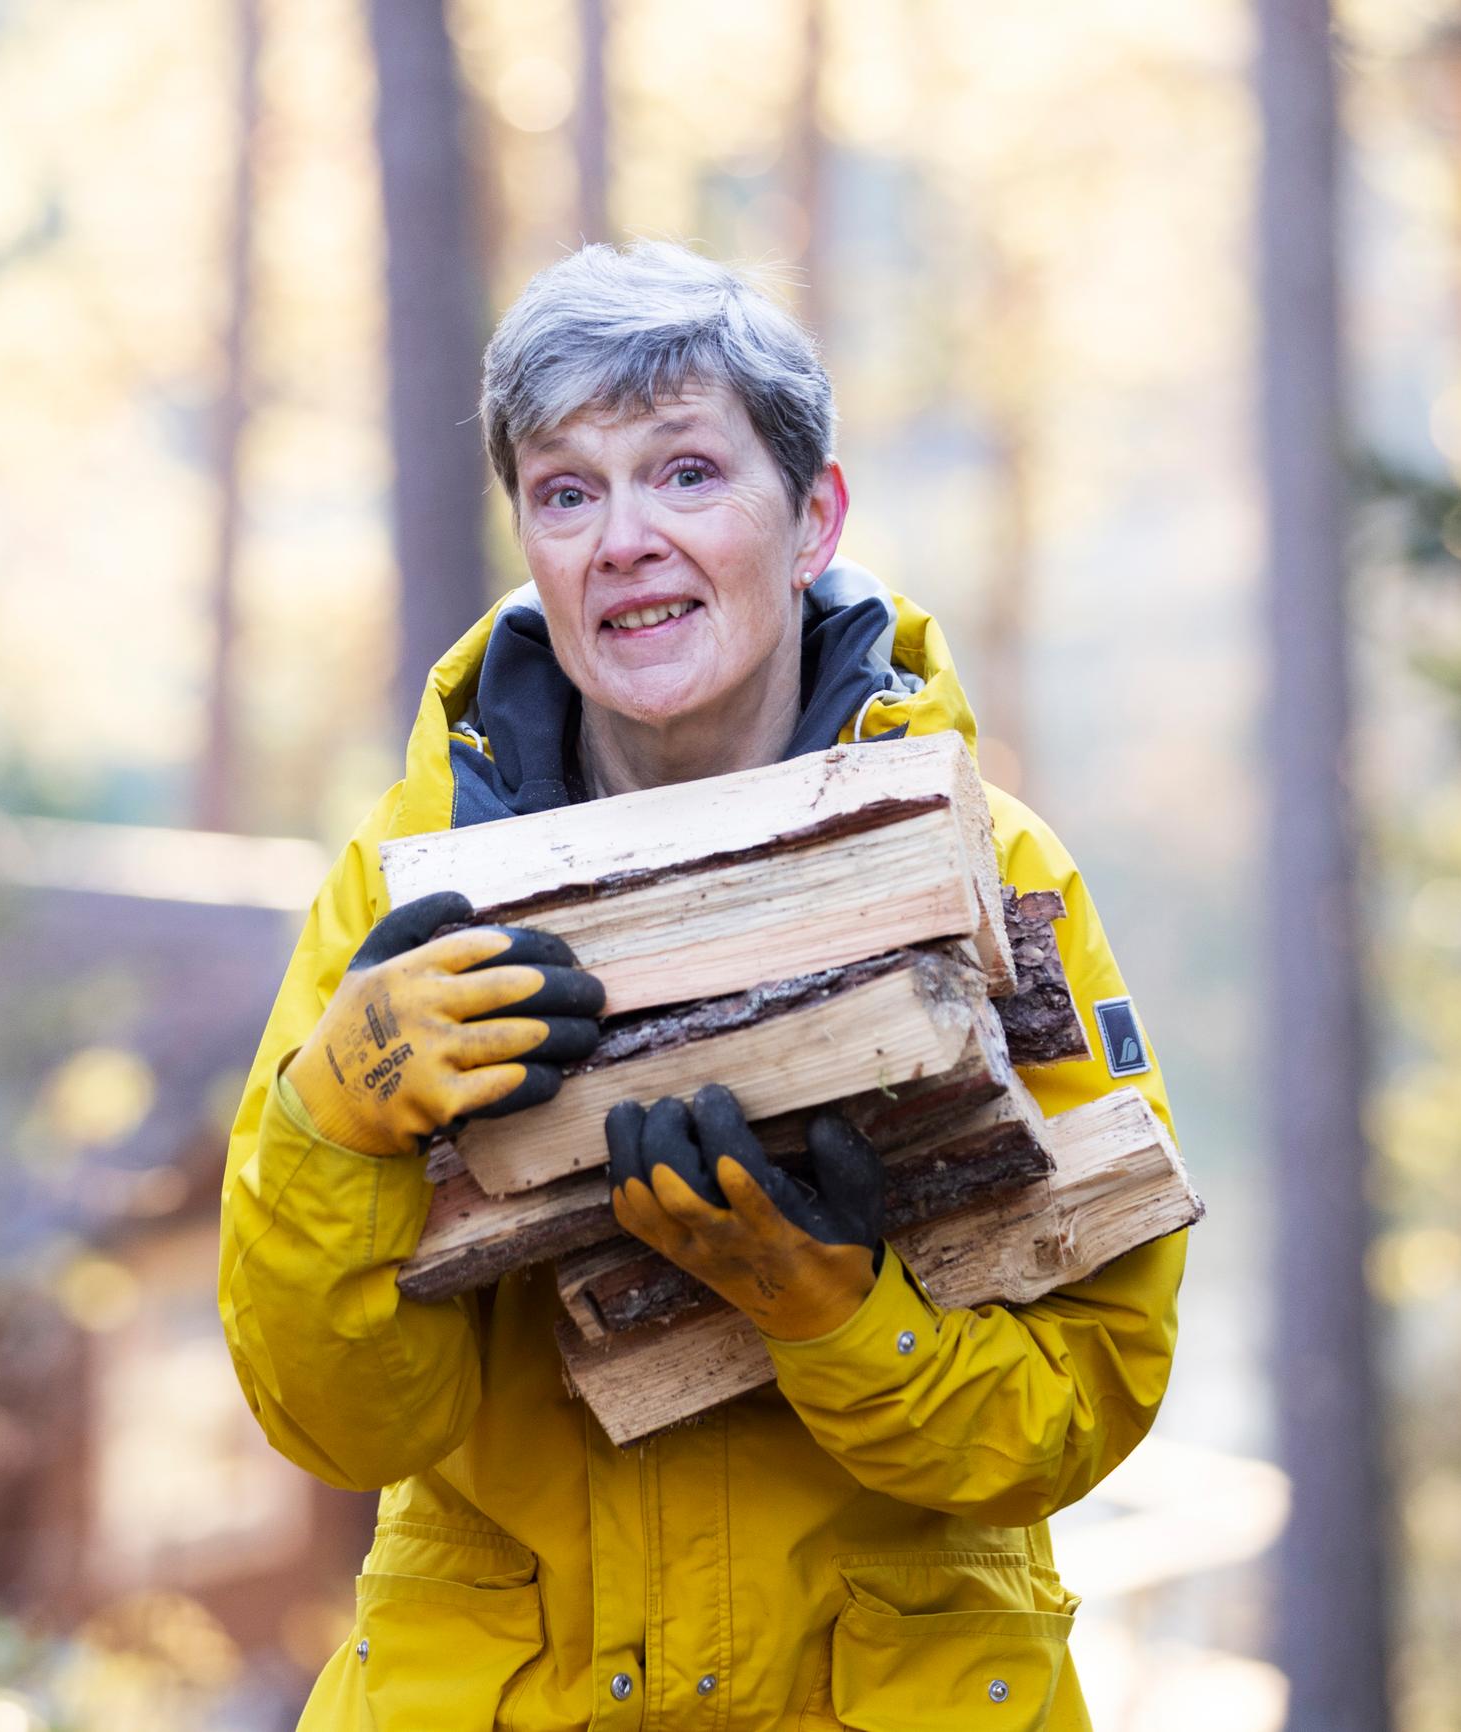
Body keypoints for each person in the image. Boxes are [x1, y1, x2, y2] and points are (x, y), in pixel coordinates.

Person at [216, 241, 1186, 1731]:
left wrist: (835, 1315)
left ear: (811, 519)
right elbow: (337, 1428)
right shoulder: (405, 894)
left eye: (683, 473)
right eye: (566, 489)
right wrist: (329, 1134)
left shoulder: (995, 871)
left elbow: (1081, 1405)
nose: (622, 539)